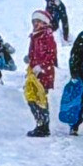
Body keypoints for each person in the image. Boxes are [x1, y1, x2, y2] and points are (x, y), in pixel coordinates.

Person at [25, 9, 58, 137]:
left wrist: (41, 66)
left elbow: (51, 55)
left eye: (38, 21)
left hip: (43, 73)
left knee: (40, 98)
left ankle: (43, 125)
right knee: (32, 96)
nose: (35, 24)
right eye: (34, 21)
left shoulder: (47, 36)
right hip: (35, 71)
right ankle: (41, 124)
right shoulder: (35, 36)